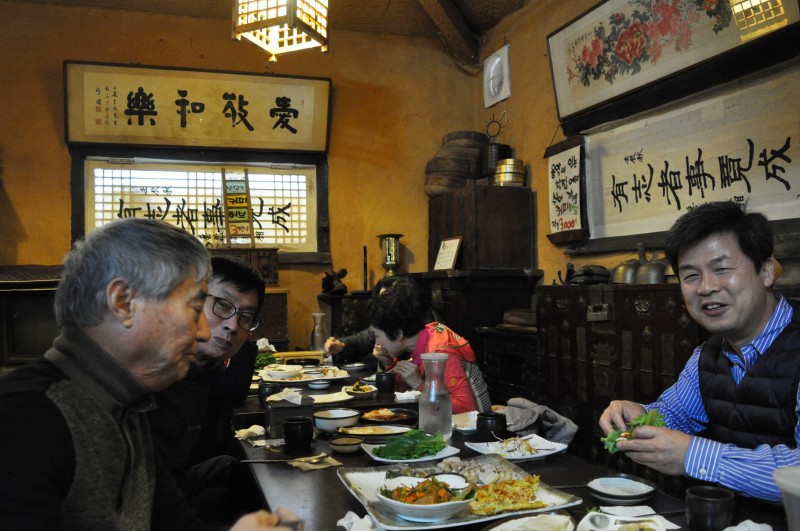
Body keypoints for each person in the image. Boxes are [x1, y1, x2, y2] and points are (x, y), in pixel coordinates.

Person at [0, 218, 299, 530]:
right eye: (196, 310)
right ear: (123, 302)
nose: (203, 332)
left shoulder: (126, 409)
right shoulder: (23, 419)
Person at [599, 201, 799, 504]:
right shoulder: (708, 354)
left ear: (767, 271)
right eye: (690, 275)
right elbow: (676, 414)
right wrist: (639, 417)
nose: (705, 288)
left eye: (721, 268)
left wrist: (694, 455)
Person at [148, 255, 265, 523]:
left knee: (238, 472)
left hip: (173, 489)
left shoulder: (204, 367)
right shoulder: (156, 372)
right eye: (222, 306)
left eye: (246, 317)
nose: (232, 325)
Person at [367, 276, 491, 414]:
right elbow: (403, 388)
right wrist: (389, 363)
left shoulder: (441, 352)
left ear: (398, 334)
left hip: (475, 427)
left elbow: (467, 410)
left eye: (377, 336)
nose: (377, 343)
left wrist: (420, 385)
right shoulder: (424, 337)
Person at [323, 276, 401, 371]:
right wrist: (342, 345)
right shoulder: (383, 322)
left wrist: (388, 363)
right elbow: (363, 339)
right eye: (380, 300)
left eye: (387, 299)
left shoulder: (415, 332)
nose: (382, 305)